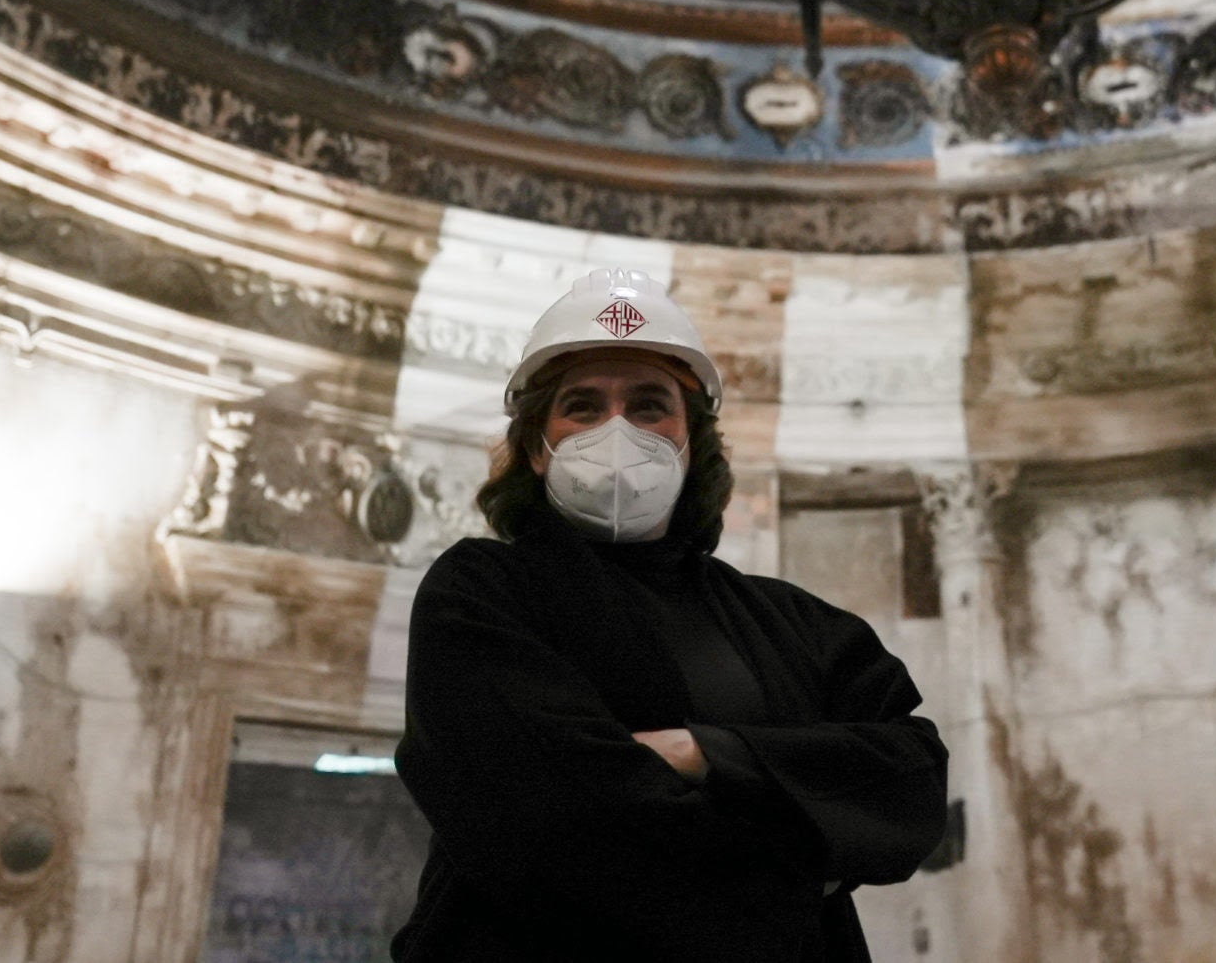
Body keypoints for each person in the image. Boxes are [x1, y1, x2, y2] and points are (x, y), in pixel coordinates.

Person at [390, 268, 950, 962]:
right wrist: (809, 847)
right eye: (584, 407)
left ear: (691, 443)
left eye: (649, 406)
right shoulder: (480, 593)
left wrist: (703, 754)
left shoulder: (794, 623)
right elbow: (554, 821)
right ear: (538, 446)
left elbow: (914, 781)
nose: (617, 430)